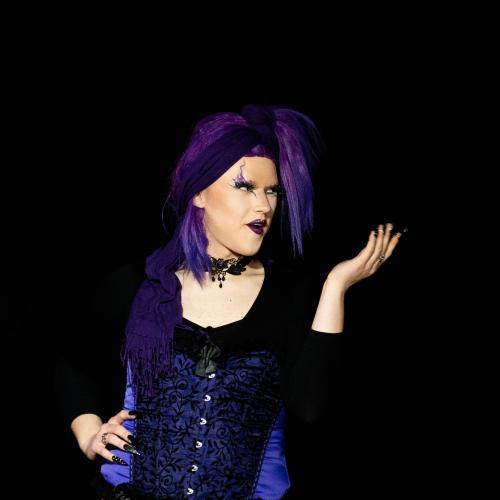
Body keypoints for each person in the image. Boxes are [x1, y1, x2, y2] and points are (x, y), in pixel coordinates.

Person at [58, 104, 404, 499]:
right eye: (245, 186)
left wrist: (335, 287)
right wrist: (88, 432)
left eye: (272, 191)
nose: (264, 206)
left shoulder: (294, 294)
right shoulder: (137, 285)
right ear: (199, 193)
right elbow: (73, 367)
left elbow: (310, 408)